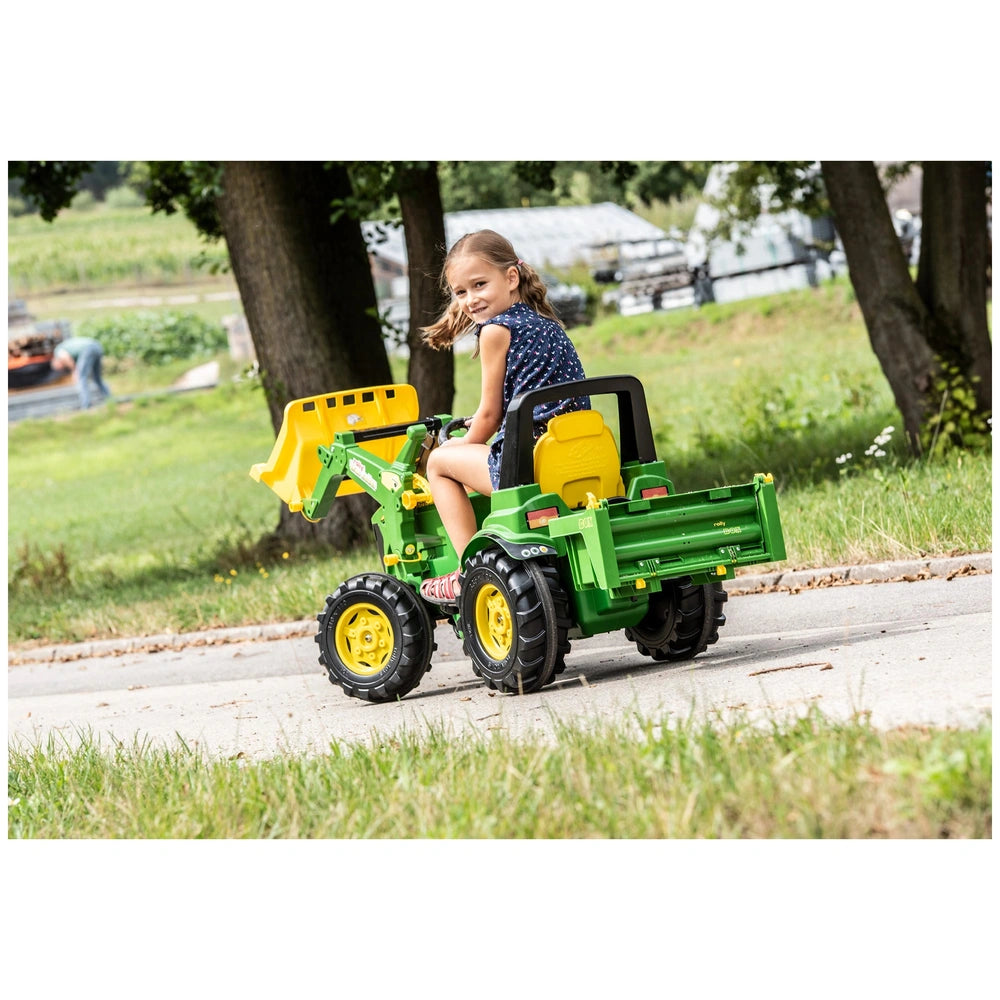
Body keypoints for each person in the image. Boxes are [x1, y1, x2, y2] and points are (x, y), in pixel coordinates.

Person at [418, 230, 590, 604]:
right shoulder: (546, 323)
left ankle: (470, 570)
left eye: (479, 285)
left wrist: (461, 442)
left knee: (440, 463)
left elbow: (490, 416)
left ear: (511, 278)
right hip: (576, 454)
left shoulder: (496, 331)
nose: (470, 299)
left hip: (528, 463)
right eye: (461, 292)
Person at [51, 336, 112, 409]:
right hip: (97, 346)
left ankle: (86, 405)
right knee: (97, 378)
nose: (63, 367)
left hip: (88, 349)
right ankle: (109, 399)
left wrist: (74, 371)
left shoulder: (57, 351)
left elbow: (65, 358)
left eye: (60, 367)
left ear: (56, 362)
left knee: (81, 378)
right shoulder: (72, 352)